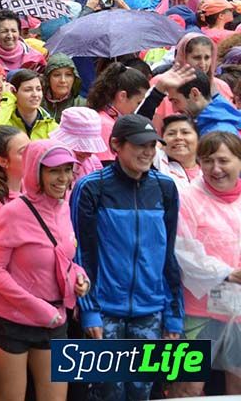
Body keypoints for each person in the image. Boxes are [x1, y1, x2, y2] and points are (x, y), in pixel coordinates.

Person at [70, 114, 184, 401]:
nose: (147, 152)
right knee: (106, 391)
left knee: (142, 390)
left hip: (151, 310)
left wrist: (173, 316)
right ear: (116, 145)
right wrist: (89, 309)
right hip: (105, 310)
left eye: (152, 145)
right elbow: (80, 253)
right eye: (139, 145)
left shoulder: (165, 188)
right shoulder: (90, 187)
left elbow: (169, 254)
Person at [0, 140, 90, 401]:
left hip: (55, 321)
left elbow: (62, 257)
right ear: (36, 171)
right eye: (54, 170)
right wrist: (38, 308)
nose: (62, 178)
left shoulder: (64, 207)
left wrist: (80, 276)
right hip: (12, 323)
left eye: (67, 170)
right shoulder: (13, 213)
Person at [172, 131, 241, 396]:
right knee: (187, 385)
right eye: (208, 161)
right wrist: (229, 274)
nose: (216, 168)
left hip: (237, 308)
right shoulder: (188, 198)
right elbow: (183, 251)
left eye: (224, 160)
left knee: (237, 383)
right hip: (197, 310)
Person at [85, 62, 150, 162]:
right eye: (138, 102)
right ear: (122, 96)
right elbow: (106, 166)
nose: (139, 108)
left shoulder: (105, 118)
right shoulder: (105, 125)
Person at [165, 69, 241, 135]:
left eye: (176, 101)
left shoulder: (220, 133)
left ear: (194, 94)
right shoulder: (205, 124)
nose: (174, 110)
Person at [0, 69, 59, 139]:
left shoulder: (51, 127)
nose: (35, 94)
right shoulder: (6, 121)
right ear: (14, 92)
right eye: (28, 90)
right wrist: (7, 99)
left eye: (38, 89)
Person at [41, 53, 84, 120]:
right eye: (57, 75)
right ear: (48, 78)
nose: (63, 80)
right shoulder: (38, 104)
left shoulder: (82, 106)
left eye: (68, 75)